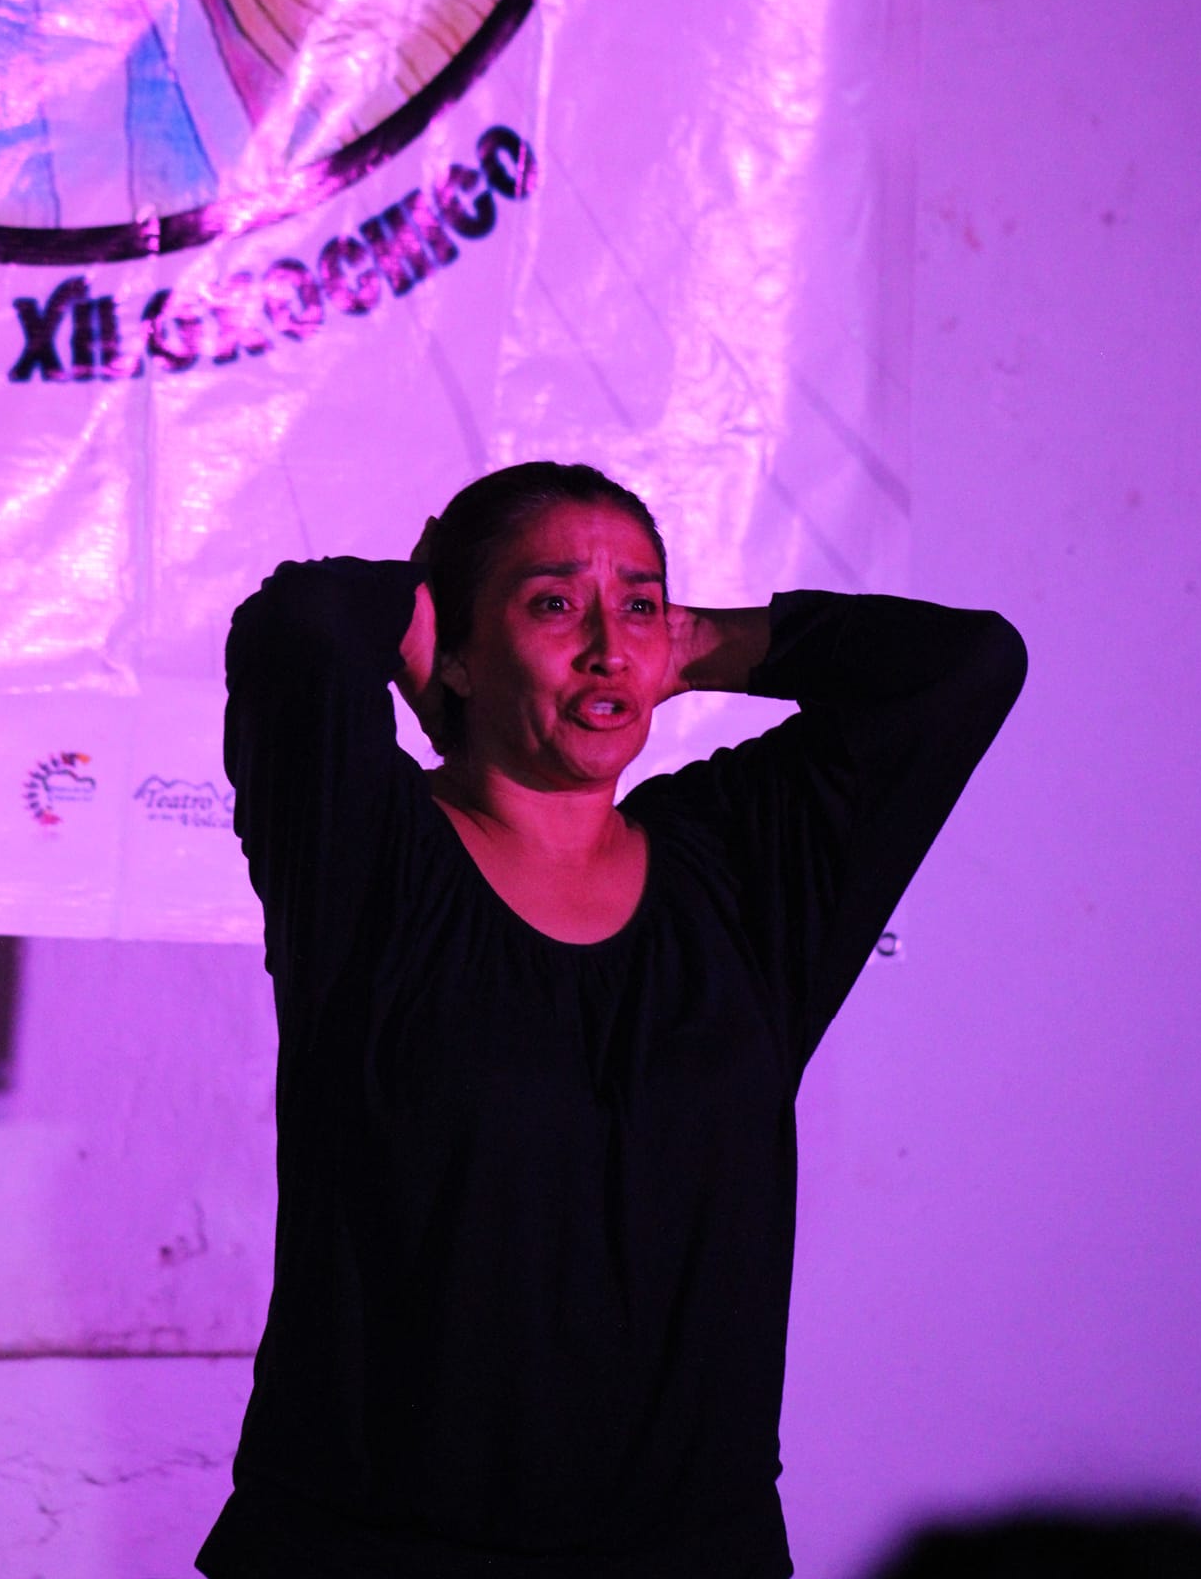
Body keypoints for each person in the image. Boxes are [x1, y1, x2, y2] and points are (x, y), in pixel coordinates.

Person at [197, 460, 1027, 1579]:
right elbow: (301, 624)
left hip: (692, 1553)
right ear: (459, 647)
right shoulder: (368, 859)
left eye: (638, 604)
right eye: (553, 604)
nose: (608, 647)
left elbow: (966, 665)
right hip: (371, 1549)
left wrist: (694, 642)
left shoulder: (738, 874)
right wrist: (418, 606)